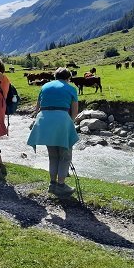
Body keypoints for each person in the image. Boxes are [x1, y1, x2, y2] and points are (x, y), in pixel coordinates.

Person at [27, 67, 79, 197]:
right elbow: (75, 112)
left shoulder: (44, 86)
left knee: (53, 155)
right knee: (65, 156)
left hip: (44, 120)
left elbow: (37, 108)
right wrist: (69, 123)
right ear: (68, 78)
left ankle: (52, 184)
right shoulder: (71, 88)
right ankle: (61, 186)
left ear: (55, 76)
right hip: (62, 119)